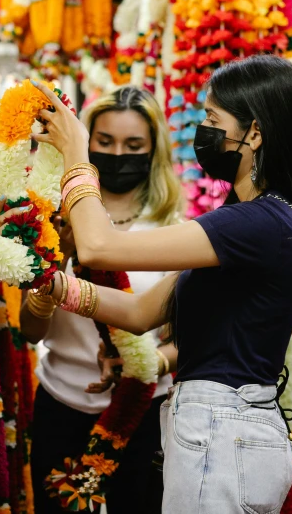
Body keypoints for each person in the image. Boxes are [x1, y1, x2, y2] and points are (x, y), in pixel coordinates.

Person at [31, 55, 292, 514]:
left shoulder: (258, 223)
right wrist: (45, 279)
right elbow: (139, 313)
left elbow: (100, 248)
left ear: (254, 133)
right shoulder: (240, 225)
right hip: (214, 429)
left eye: (212, 120)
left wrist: (77, 153)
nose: (202, 132)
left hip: (226, 432)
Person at [20, 86, 183, 514]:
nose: (117, 155)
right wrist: (54, 266)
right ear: (85, 144)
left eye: (133, 145)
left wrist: (147, 363)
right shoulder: (51, 218)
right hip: (61, 405)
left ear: (153, 151)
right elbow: (30, 330)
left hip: (146, 414)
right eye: (104, 143)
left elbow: (192, 337)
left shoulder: (176, 229)